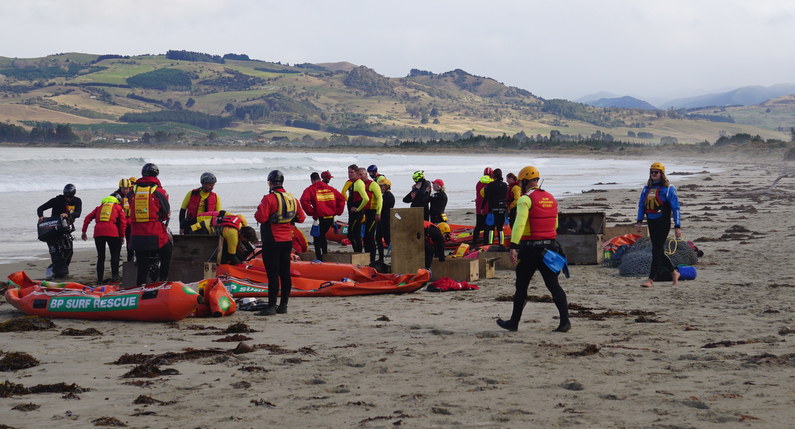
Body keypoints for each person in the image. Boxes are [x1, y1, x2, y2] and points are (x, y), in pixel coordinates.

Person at [497, 165, 570, 333]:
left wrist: (513, 246)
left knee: (521, 286)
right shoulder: (551, 198)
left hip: (530, 249)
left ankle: (513, 323)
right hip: (550, 249)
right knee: (553, 285)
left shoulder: (525, 199)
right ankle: (565, 322)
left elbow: (519, 224)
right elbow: (556, 224)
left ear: (523, 182)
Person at [254, 169, 306, 315]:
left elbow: (261, 218)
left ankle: (271, 306)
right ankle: (283, 306)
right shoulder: (292, 199)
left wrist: (258, 211)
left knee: (272, 275)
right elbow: (301, 218)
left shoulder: (268, 198)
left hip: (271, 241)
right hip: (287, 241)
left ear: (270, 183)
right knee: (285, 273)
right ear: (282, 182)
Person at [636, 162, 682, 288]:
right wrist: (639, 221)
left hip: (663, 222)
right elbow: (641, 206)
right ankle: (674, 273)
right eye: (652, 172)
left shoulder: (668, 189)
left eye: (656, 172)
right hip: (652, 222)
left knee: (656, 250)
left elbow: (676, 208)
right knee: (659, 251)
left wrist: (677, 226)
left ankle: (650, 279)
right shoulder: (646, 189)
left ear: (662, 174)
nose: (654, 174)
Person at [129, 163, 171, 285]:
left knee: (142, 263)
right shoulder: (159, 191)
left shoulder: (133, 192)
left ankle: (139, 288)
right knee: (167, 254)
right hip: (154, 233)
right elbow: (165, 213)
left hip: (136, 235)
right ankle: (163, 281)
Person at [37, 184, 82, 279]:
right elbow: (40, 208)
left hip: (66, 230)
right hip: (53, 231)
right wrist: (41, 216)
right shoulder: (57, 200)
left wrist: (68, 215)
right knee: (56, 254)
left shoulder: (77, 201)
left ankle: (62, 271)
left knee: (69, 251)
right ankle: (57, 272)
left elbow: (78, 213)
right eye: (66, 196)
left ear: (74, 195)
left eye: (70, 197)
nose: (68, 199)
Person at [300, 172, 345, 261]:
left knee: (317, 239)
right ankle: (325, 255)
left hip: (320, 219)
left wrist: (312, 212)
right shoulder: (329, 188)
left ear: (312, 180)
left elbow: (303, 200)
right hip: (330, 219)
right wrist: (337, 212)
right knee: (323, 236)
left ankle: (319, 259)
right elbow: (341, 198)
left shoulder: (311, 189)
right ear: (319, 179)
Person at [81, 196, 127, 283]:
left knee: (101, 257)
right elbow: (122, 223)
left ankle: (99, 280)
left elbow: (87, 218)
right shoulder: (118, 207)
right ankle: (115, 277)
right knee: (115, 255)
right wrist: (122, 236)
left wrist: (84, 232)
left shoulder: (99, 208)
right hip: (112, 232)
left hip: (98, 232)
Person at [186, 211, 257, 265]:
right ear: (243, 235)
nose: (246, 241)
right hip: (199, 231)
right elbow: (232, 255)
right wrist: (241, 263)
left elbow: (222, 212)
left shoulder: (240, 222)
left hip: (200, 225)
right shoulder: (233, 235)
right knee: (199, 254)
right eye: (246, 240)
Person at [341, 164, 369, 253]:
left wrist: (358, 209)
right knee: (351, 235)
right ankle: (357, 252)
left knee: (355, 235)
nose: (349, 174)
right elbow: (343, 193)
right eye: (348, 172)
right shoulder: (352, 183)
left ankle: (359, 253)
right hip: (352, 214)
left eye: (351, 172)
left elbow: (366, 199)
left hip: (357, 214)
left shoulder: (359, 183)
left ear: (357, 173)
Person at [358, 167, 383, 263]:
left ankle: (372, 259)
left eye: (361, 175)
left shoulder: (373, 184)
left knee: (369, 235)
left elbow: (380, 198)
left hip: (372, 212)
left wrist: (378, 212)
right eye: (358, 175)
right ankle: (367, 257)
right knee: (364, 236)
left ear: (366, 174)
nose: (360, 177)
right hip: (363, 212)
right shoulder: (359, 184)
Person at [482, 168, 508, 246]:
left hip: (493, 208)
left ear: (494, 175)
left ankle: (490, 243)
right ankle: (501, 243)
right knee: (500, 228)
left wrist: (482, 207)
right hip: (503, 208)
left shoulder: (491, 185)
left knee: (491, 228)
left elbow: (486, 197)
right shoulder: (504, 185)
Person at [111, 178, 134, 262]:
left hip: (129, 223)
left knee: (130, 245)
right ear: (120, 187)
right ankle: (116, 260)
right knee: (117, 245)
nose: (125, 190)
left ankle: (130, 262)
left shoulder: (133, 195)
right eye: (124, 188)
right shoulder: (114, 196)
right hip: (119, 224)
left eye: (127, 188)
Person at [376, 177, 395, 262]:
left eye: (382, 186)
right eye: (379, 186)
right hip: (381, 220)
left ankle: (395, 257)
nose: (380, 188)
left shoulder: (389, 196)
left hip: (386, 220)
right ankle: (380, 258)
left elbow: (382, 207)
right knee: (378, 239)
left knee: (387, 240)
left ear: (387, 186)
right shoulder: (383, 195)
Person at [473, 167, 494, 246]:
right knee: (487, 227)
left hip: (479, 208)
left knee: (478, 226)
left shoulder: (479, 183)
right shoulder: (492, 183)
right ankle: (486, 243)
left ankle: (474, 242)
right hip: (488, 207)